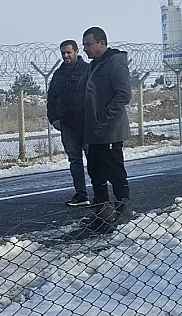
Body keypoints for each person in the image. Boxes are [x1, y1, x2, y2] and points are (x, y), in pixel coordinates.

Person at [81, 26, 133, 227]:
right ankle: (103, 212)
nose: (85, 49)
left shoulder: (114, 62)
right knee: (96, 171)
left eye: (88, 44)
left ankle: (123, 210)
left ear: (101, 43)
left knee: (115, 170)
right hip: (94, 131)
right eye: (84, 45)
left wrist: (105, 117)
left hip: (110, 130)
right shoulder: (94, 65)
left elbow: (123, 94)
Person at [47, 39, 91, 207]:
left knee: (93, 160)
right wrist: (54, 119)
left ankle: (100, 195)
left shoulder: (87, 70)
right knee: (75, 161)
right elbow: (52, 98)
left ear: (76, 52)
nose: (66, 55)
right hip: (68, 126)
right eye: (63, 53)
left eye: (68, 52)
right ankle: (81, 195)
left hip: (87, 125)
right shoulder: (59, 74)